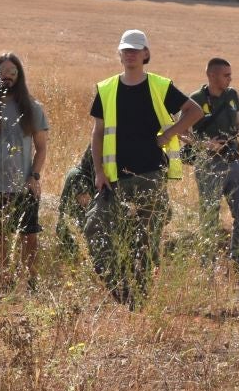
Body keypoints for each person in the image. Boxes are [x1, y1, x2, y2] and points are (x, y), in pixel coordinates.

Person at [87, 29, 203, 306]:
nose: (130, 54)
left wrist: (170, 133)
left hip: (150, 174)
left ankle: (139, 301)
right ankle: (120, 290)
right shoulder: (106, 88)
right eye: (126, 50)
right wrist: (99, 172)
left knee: (145, 239)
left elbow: (195, 111)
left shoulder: (160, 85)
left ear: (146, 54)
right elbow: (97, 133)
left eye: (135, 50)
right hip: (115, 177)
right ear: (120, 53)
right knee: (94, 227)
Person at [0, 52, 50, 294]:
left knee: (29, 238)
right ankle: (4, 284)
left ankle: (31, 285)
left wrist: (34, 177)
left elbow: (41, 149)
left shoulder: (33, 108)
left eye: (12, 72)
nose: (6, 77)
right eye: (2, 72)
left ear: (19, 76)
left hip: (23, 185)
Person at [190, 56, 239, 270]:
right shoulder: (195, 99)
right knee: (209, 218)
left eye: (230, 75)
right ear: (211, 75)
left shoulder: (232, 95)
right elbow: (181, 133)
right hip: (209, 165)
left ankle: (237, 265)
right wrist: (205, 144)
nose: (230, 78)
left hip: (235, 162)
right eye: (226, 75)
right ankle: (207, 267)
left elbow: (235, 120)